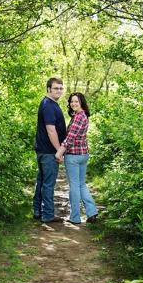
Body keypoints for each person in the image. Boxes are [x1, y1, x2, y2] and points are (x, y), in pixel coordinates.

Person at [56, 92, 98, 224]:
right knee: (81, 184)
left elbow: (69, 138)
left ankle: (75, 217)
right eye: (72, 101)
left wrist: (59, 153)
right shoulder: (83, 115)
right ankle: (92, 212)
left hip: (74, 156)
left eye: (76, 101)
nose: (73, 104)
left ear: (81, 102)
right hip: (83, 154)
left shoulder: (79, 117)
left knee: (74, 186)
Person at [33, 78, 67, 223]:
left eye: (60, 88)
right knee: (47, 183)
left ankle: (37, 211)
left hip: (43, 149)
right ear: (48, 89)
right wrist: (59, 150)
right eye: (55, 88)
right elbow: (51, 131)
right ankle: (47, 215)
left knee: (41, 181)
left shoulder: (50, 104)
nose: (59, 91)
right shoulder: (48, 105)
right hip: (48, 152)